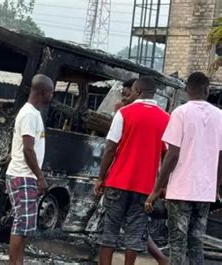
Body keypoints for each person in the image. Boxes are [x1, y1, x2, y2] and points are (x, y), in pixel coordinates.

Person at [146, 72, 222, 265]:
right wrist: (216, 187)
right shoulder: (220, 116)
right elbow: (221, 156)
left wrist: (156, 189)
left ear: (187, 89)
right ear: (207, 90)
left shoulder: (181, 113)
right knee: (196, 242)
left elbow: (172, 154)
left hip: (181, 189)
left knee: (177, 243)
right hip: (205, 191)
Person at [93, 76, 170, 265]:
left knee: (109, 232)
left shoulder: (124, 113)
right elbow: (166, 156)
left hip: (117, 182)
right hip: (145, 188)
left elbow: (110, 148)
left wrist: (100, 178)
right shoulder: (166, 119)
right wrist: (161, 187)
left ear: (137, 91)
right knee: (135, 234)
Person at [6, 74, 54, 265]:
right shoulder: (29, 114)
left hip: (25, 176)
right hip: (23, 176)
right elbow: (28, 149)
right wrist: (40, 177)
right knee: (21, 224)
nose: (52, 95)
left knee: (25, 226)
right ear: (44, 92)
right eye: (51, 91)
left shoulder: (33, 113)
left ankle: (18, 262)